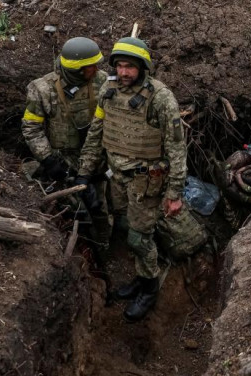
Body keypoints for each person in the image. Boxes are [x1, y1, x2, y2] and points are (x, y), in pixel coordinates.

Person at [77, 37, 195, 322]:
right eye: (120, 66)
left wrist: (175, 192)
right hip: (116, 178)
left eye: (130, 66)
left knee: (139, 238)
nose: (124, 72)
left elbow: (177, 148)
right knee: (126, 228)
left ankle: (149, 287)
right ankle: (140, 277)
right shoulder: (109, 89)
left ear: (143, 67)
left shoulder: (161, 98)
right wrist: (84, 169)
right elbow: (97, 131)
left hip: (146, 182)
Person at [21, 37, 111, 238]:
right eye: (90, 67)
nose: (95, 69)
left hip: (98, 156)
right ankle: (84, 242)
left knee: (101, 206)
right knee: (77, 211)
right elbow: (32, 128)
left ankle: (106, 240)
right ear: (76, 69)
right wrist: (48, 159)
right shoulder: (42, 89)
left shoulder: (103, 81)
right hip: (65, 162)